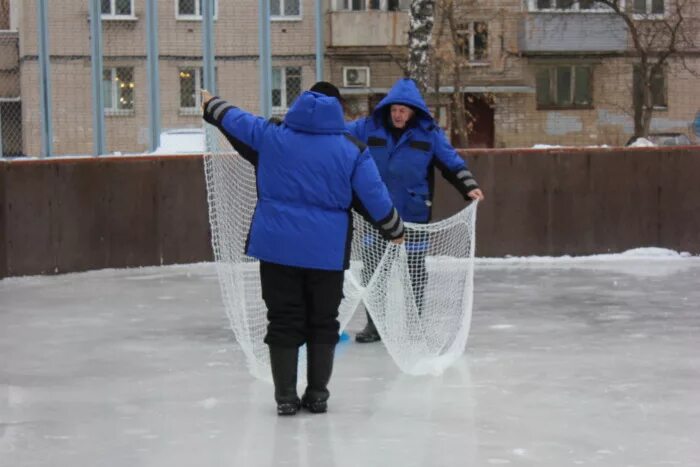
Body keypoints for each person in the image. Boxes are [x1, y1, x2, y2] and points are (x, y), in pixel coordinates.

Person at [201, 82, 405, 416]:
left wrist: (212, 106)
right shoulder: (351, 149)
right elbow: (374, 196)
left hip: (277, 249)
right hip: (325, 254)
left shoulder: (272, 135)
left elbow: (236, 120)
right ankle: (317, 395)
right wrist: (394, 229)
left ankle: (284, 397)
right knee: (323, 321)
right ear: (337, 109)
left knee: (282, 319)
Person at [347, 78, 485, 343]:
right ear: (388, 109)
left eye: (404, 110)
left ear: (413, 112)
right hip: (376, 214)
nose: (398, 115)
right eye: (394, 109)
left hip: (414, 215)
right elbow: (335, 134)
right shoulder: (367, 128)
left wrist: (469, 186)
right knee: (374, 273)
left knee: (415, 273)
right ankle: (375, 326)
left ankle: (413, 325)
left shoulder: (428, 134)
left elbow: (451, 162)